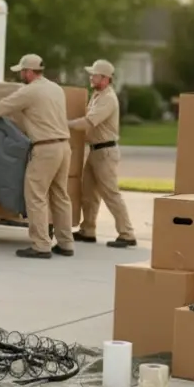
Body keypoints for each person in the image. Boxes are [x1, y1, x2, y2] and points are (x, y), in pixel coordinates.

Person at [0, 54, 75, 259]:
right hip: (63, 147)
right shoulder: (56, 89)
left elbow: (1, 108)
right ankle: (66, 243)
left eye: (22, 72)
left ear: (28, 71)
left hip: (45, 148)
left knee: (36, 195)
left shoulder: (29, 92)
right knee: (60, 196)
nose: (20, 76)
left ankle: (41, 245)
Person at [69, 59, 137, 248]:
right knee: (89, 193)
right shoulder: (97, 95)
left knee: (110, 193)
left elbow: (88, 122)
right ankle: (87, 230)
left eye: (95, 75)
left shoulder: (108, 98)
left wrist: (64, 124)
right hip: (95, 151)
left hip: (105, 152)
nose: (91, 77)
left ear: (105, 79)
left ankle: (127, 233)